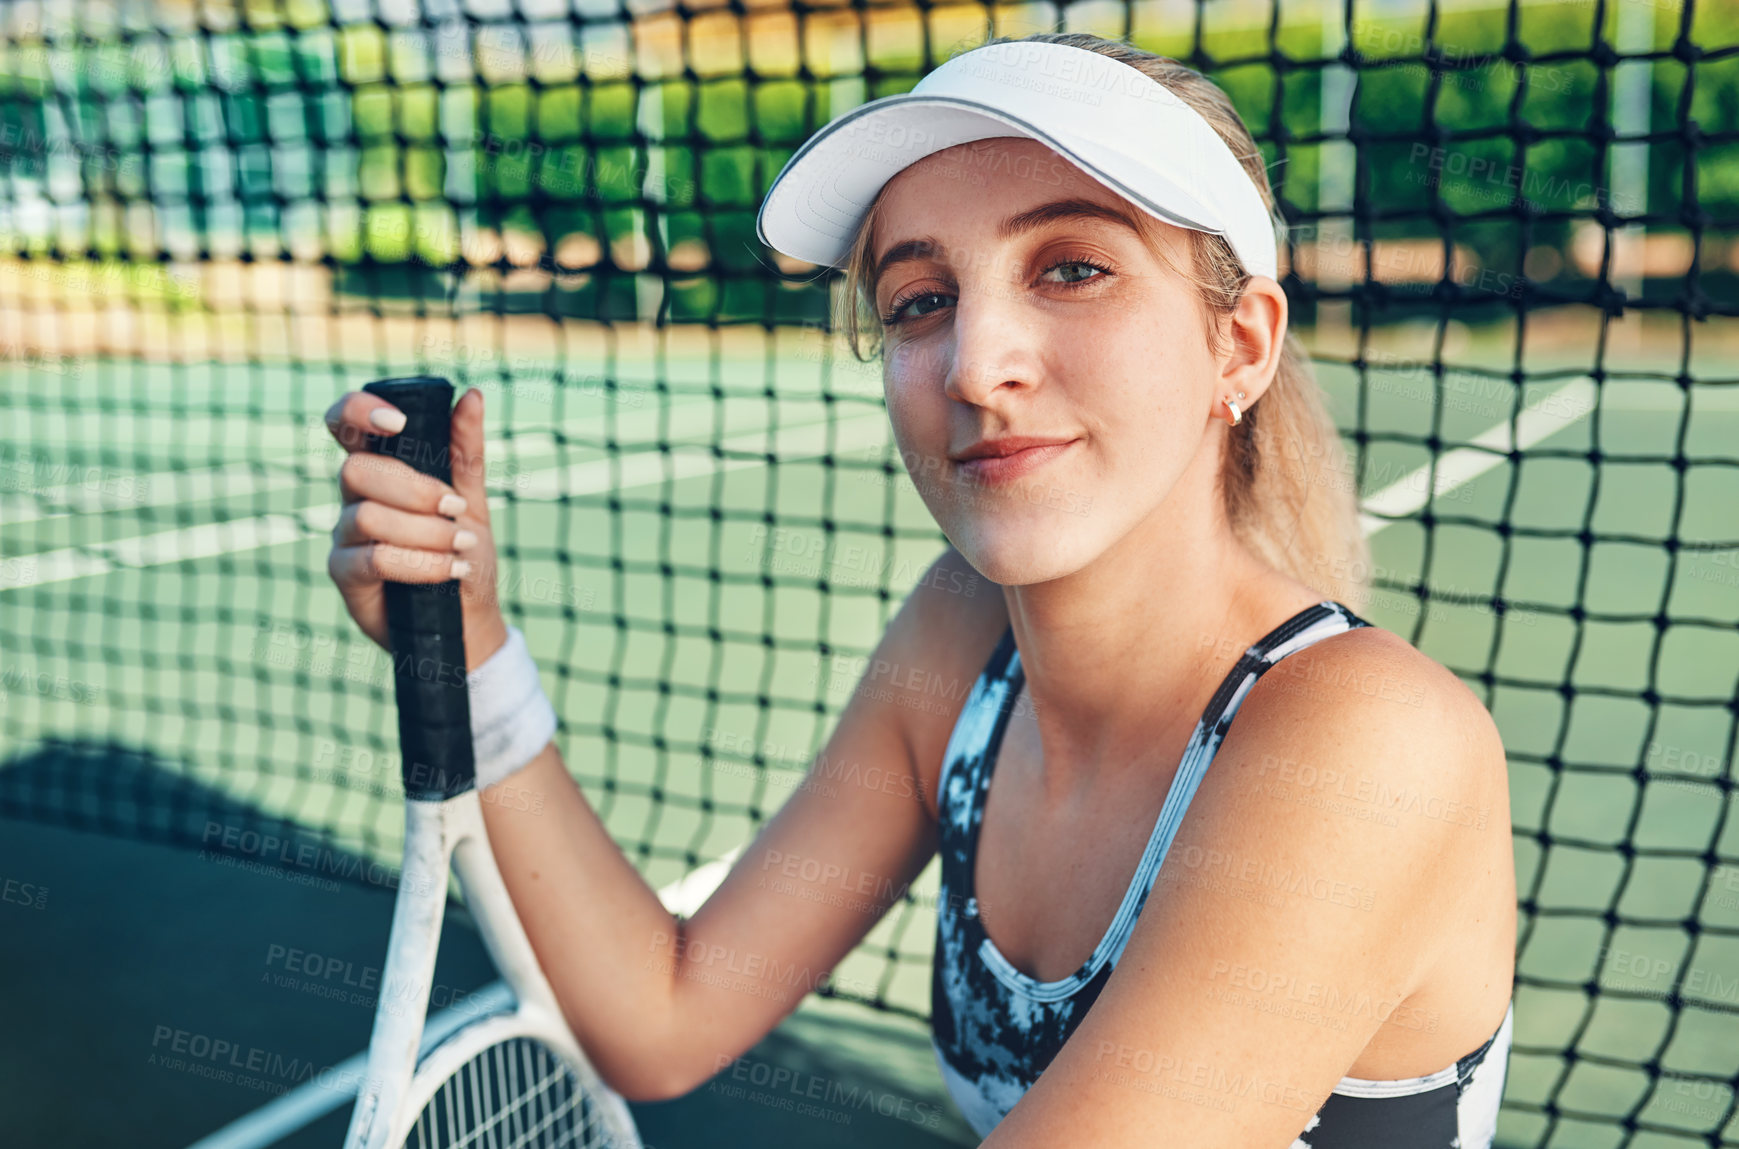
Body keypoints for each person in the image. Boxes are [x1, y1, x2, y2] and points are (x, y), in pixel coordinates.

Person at [323, 31, 1516, 1148]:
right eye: (919, 301)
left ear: (1239, 346)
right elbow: (663, 1016)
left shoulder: (1366, 745)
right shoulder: (959, 638)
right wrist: (470, 643)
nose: (975, 367)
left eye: (1072, 267)